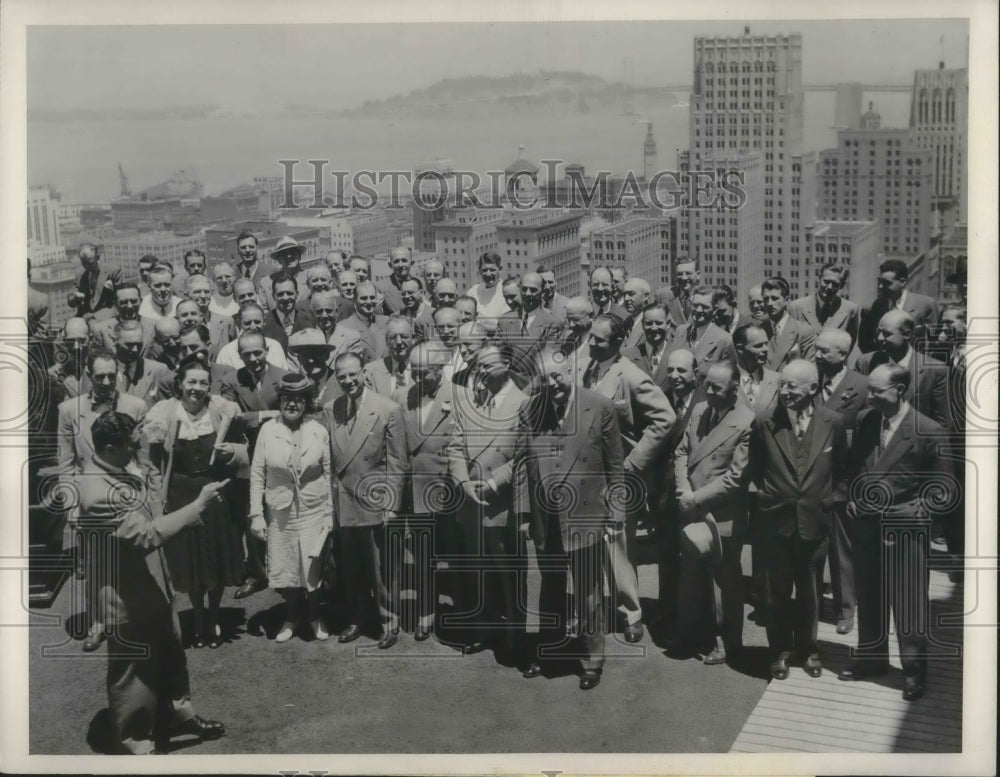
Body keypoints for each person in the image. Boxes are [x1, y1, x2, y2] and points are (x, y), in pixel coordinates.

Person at [78, 410, 228, 755]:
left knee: (172, 654)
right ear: (112, 446)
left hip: (151, 586)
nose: (139, 449)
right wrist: (197, 507)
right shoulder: (97, 492)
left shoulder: (115, 467)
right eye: (133, 444)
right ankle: (137, 744)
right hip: (126, 599)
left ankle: (179, 714)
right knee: (132, 674)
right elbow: (145, 535)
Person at [839, 364, 954, 702]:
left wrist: (918, 516)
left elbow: (944, 489)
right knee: (870, 594)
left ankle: (914, 670)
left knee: (909, 602)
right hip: (867, 525)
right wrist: (852, 497)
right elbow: (856, 465)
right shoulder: (867, 420)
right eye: (869, 390)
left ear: (899, 390)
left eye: (876, 391)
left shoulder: (928, 430)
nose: (869, 396)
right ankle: (872, 660)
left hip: (905, 527)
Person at [512, 347, 626, 689]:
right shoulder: (531, 409)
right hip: (546, 518)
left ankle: (593, 658)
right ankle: (553, 648)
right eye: (545, 379)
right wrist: (523, 513)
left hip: (587, 514)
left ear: (572, 372)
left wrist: (616, 513)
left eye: (558, 376)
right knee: (551, 587)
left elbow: (615, 466)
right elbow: (521, 465)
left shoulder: (600, 406)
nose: (552, 384)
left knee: (589, 591)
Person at [751, 359, 849, 680]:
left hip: (815, 523)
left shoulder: (833, 422)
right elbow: (755, 468)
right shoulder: (765, 422)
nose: (785, 391)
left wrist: (831, 500)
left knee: (810, 594)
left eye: (792, 386)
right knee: (776, 594)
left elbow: (844, 471)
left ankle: (808, 650)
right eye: (782, 385)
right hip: (775, 523)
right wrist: (766, 497)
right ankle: (779, 652)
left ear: (813, 388)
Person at [142, 355, 249, 649]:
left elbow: (244, 451)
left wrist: (232, 452)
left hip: (214, 492)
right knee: (189, 560)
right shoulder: (164, 414)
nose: (197, 388)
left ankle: (213, 616)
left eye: (203, 382)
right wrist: (155, 500)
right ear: (180, 383)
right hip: (180, 494)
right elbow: (152, 466)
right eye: (192, 381)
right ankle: (198, 617)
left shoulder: (221, 410)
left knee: (214, 557)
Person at [581, 313, 675, 643]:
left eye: (599, 339)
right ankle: (593, 608)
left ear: (619, 342)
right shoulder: (587, 367)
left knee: (618, 543)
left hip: (618, 476)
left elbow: (665, 419)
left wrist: (633, 463)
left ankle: (630, 612)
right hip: (586, 473)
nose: (591, 342)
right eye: (591, 336)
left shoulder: (631, 376)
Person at [57, 347, 150, 652]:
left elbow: (145, 460)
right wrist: (71, 505)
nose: (108, 382)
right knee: (97, 566)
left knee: (134, 560)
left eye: (112, 375)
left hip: (128, 496)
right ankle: (99, 622)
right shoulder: (69, 410)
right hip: (91, 499)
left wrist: (146, 496)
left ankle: (135, 618)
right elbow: (66, 463)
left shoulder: (136, 406)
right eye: (100, 376)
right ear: (88, 375)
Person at [445, 344, 529, 658]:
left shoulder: (524, 404)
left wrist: (494, 484)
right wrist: (463, 483)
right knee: (478, 569)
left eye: (486, 364)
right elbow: (454, 448)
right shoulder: (470, 403)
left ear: (506, 363)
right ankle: (487, 628)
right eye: (476, 365)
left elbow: (524, 455)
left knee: (508, 573)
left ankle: (515, 635)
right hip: (470, 502)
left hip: (502, 504)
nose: (479, 370)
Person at [322, 352, 406, 648]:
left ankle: (388, 621)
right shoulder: (331, 409)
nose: (348, 381)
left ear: (364, 374)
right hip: (344, 501)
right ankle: (358, 617)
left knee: (380, 569)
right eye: (341, 376)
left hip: (375, 501)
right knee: (352, 568)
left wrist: (391, 505)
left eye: (353, 374)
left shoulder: (388, 409)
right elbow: (331, 462)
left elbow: (397, 463)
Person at [673, 361, 753, 665]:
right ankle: (691, 632)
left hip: (722, 513)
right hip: (690, 505)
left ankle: (726, 642)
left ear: (734, 390)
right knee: (691, 574)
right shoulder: (699, 411)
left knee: (725, 581)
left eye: (716, 388)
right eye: (707, 384)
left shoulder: (747, 422)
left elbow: (736, 477)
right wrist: (684, 491)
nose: (708, 391)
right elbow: (681, 452)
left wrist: (696, 498)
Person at [249, 374, 334, 642]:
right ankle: (292, 617)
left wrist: (330, 512)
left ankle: (314, 616)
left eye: (298, 399)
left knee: (312, 566)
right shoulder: (267, 430)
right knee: (287, 566)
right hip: (281, 509)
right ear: (280, 400)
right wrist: (256, 515)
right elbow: (257, 474)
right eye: (287, 399)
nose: (293, 405)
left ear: (306, 402)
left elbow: (329, 473)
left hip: (313, 507)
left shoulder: (318, 430)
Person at [392, 343, 456, 642]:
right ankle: (426, 610)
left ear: (440, 367)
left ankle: (464, 608)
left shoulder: (459, 397)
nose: (418, 379)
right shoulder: (402, 396)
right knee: (422, 555)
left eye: (424, 373)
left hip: (447, 489)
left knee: (456, 555)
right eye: (414, 372)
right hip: (414, 490)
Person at [813, 327, 868, 634]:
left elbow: (865, 440)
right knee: (810, 545)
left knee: (841, 548)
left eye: (823, 351)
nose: (817, 356)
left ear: (843, 354)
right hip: (810, 478)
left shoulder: (860, 386)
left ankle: (846, 609)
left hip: (843, 480)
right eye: (816, 349)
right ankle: (813, 603)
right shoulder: (811, 381)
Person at [854, 309, 952, 429]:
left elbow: (942, 422)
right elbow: (858, 409)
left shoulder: (935, 369)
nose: (879, 338)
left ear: (907, 334)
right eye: (878, 332)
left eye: (886, 334)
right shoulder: (865, 362)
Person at [494, 272, 562, 391]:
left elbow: (549, 362)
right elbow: (497, 354)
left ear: (542, 292)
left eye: (533, 290)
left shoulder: (552, 322)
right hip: (506, 387)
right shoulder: (505, 320)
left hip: (536, 388)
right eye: (524, 289)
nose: (528, 294)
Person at [857, 258, 939, 354]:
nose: (880, 286)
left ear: (903, 282)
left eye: (886, 283)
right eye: (880, 281)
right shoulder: (871, 308)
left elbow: (933, 343)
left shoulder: (926, 305)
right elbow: (864, 343)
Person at [667, 285, 736, 383]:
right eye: (695, 305)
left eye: (705, 307)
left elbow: (729, 378)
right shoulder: (680, 331)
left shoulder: (725, 340)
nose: (699, 310)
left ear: (715, 309)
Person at [788, 263, 860, 348]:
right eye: (826, 281)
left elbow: (848, 345)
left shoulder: (851, 309)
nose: (829, 287)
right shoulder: (796, 307)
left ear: (842, 285)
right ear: (819, 279)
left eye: (835, 284)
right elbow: (791, 343)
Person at [111, 320, 171, 407]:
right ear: (114, 341)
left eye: (139, 344)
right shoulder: (102, 371)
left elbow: (168, 407)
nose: (135, 350)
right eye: (129, 345)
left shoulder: (159, 370)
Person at [761, 276, 816, 370]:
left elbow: (810, 371)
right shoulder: (758, 330)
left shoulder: (804, 332)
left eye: (774, 298)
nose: (769, 303)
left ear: (787, 300)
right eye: (766, 299)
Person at [215, 303, 289, 371]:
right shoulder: (227, 352)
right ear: (238, 323)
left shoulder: (275, 346)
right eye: (247, 323)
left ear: (264, 321)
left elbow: (283, 375)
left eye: (257, 322)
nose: (253, 327)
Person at [90, 282, 154, 354]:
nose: (129, 306)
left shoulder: (153, 327)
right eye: (123, 302)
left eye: (133, 301)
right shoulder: (101, 329)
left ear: (141, 301)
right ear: (116, 304)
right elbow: (96, 359)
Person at [183, 274, 237, 359]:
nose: (203, 296)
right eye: (197, 292)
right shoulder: (180, 323)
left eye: (207, 292)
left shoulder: (227, 322)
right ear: (187, 295)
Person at [732, 322, 780, 417]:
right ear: (740, 349)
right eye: (758, 346)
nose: (766, 349)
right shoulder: (726, 380)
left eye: (766, 344)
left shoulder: (777, 380)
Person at [622, 304, 673, 392]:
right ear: (642, 324)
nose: (653, 328)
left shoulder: (678, 354)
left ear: (668, 324)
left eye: (659, 323)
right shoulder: (627, 357)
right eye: (649, 323)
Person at [287, 329, 342, 408]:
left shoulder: (340, 381)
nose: (311, 360)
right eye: (305, 356)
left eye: (316, 354)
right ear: (299, 359)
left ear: (327, 355)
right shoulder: (296, 386)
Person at [364, 316, 415, 397]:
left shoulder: (425, 370)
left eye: (404, 336)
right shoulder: (371, 371)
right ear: (386, 341)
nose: (398, 342)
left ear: (413, 339)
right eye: (392, 337)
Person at [339, 281, 389, 364]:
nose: (369, 302)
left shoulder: (386, 322)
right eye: (364, 298)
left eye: (372, 297)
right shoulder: (344, 327)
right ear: (354, 300)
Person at [68, 242, 121, 318]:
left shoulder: (113, 271)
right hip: (85, 316)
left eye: (90, 263)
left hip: (107, 316)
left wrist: (97, 317)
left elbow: (118, 300)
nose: (87, 267)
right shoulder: (80, 273)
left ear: (97, 257)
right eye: (84, 263)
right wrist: (74, 299)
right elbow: (71, 300)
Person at [262, 272, 308, 353]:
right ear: (273, 296)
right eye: (280, 294)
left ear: (297, 294)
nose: (285, 298)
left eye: (289, 293)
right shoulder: (264, 323)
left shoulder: (308, 320)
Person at [259, 236, 307, 312]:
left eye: (292, 252)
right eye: (284, 253)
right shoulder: (266, 283)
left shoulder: (310, 278)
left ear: (299, 256)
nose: (289, 256)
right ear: (279, 260)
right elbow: (263, 312)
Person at [466, 252, 510, 334]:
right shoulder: (472, 292)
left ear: (500, 270)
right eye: (484, 270)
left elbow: (507, 325)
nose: (488, 274)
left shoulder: (507, 292)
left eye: (492, 270)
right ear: (479, 270)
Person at [655, 256, 699, 328]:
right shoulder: (663, 295)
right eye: (680, 274)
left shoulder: (708, 296)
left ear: (698, 275)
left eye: (688, 273)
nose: (684, 278)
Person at [377, 246, 412, 315]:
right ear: (390, 265)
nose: (400, 265)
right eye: (396, 261)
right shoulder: (381, 287)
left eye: (404, 260)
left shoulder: (421, 283)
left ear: (411, 263)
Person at [620, 277, 654, 347]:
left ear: (645, 296)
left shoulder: (653, 321)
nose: (626, 299)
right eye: (624, 294)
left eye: (631, 294)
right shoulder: (626, 322)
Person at [235, 231, 269, 299]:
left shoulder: (270, 272)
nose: (247, 250)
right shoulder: (233, 273)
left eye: (251, 247)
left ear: (257, 249)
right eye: (243, 247)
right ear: (237, 250)